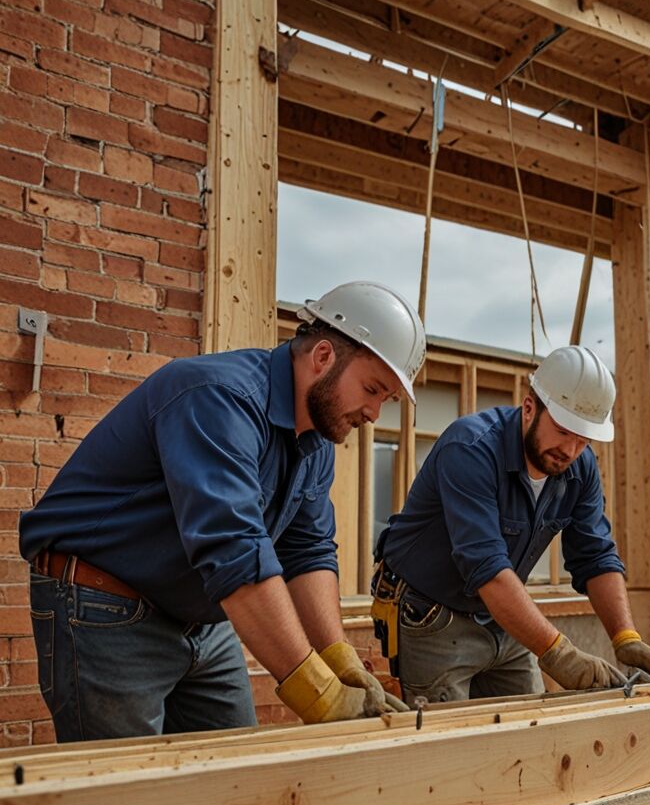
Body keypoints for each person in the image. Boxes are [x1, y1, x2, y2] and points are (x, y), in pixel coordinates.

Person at [19, 281, 425, 741]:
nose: (373, 413)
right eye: (372, 389)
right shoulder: (217, 396)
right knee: (127, 799)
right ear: (324, 357)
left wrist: (339, 659)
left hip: (201, 622)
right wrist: (320, 695)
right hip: (104, 606)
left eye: (385, 400)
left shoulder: (316, 442)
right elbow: (234, 550)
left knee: (235, 780)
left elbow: (308, 551)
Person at [373, 345, 650, 704]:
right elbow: (487, 568)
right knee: (451, 744)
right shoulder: (470, 449)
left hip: (502, 616)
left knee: (531, 735)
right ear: (530, 408)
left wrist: (626, 637)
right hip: (432, 614)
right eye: (564, 431)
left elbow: (596, 555)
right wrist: (559, 655)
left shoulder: (579, 468)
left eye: (584, 440)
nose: (570, 450)